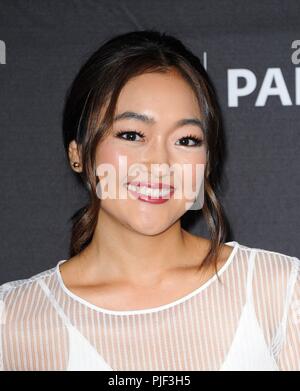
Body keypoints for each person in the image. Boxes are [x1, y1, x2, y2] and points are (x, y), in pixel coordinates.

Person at [0, 30, 299, 371]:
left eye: (186, 140)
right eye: (131, 135)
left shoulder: (282, 291)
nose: (160, 165)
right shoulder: (14, 323)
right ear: (78, 153)